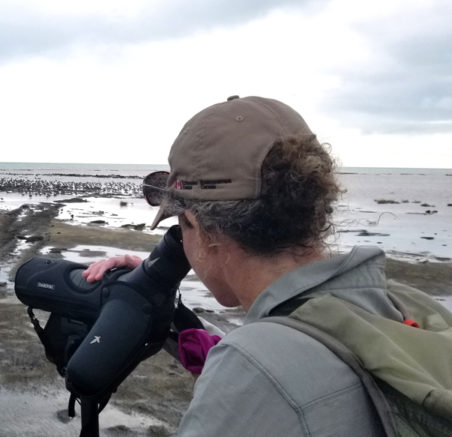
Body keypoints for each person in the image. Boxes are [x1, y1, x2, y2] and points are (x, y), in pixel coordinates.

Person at [82, 95, 389, 435]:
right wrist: (162, 302)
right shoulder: (390, 306)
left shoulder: (249, 373)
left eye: (180, 227)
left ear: (198, 226)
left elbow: (261, 370)